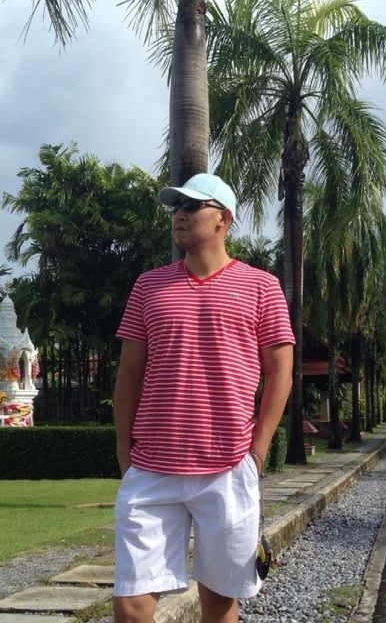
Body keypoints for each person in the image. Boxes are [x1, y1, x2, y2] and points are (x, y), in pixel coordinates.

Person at [112, 173, 295, 623]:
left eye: (192, 206)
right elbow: (129, 373)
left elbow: (280, 374)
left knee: (218, 602)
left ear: (223, 219)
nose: (179, 214)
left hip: (228, 469)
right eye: (176, 206)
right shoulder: (148, 286)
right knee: (131, 607)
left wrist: (257, 453)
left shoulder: (262, 286)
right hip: (152, 468)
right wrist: (124, 452)